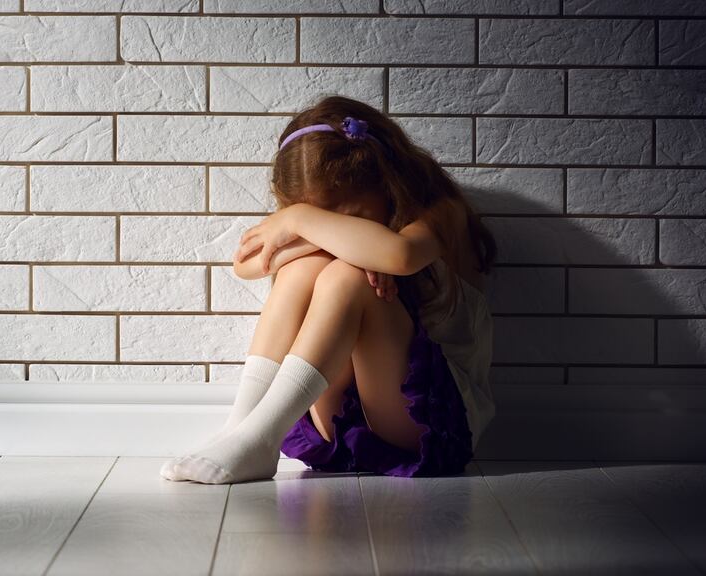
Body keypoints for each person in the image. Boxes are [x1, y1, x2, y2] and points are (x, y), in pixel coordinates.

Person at [160, 95, 498, 484]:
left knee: (346, 275)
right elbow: (246, 265)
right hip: (344, 420)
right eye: (317, 217)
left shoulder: (439, 213)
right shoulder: (318, 227)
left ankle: (259, 437)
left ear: (388, 183)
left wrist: (301, 220)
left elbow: (399, 254)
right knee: (304, 267)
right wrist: (309, 234)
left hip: (434, 426)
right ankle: (244, 426)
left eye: (349, 218)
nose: (330, 228)